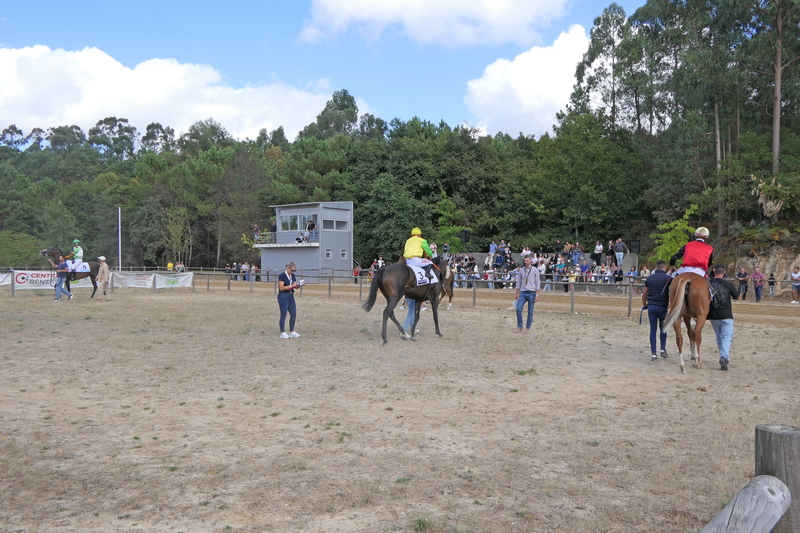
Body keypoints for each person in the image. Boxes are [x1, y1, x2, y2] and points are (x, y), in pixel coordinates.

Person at [708, 264, 740, 371]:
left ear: (714, 271)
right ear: (724, 272)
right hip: (726, 314)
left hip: (713, 315)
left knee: (719, 336)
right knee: (727, 336)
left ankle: (723, 355)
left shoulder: (708, 284)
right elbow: (737, 297)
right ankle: (724, 357)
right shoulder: (728, 284)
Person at [642, 260, 670, 361]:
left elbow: (644, 294)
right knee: (663, 329)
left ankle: (653, 353)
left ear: (656, 267)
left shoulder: (649, 278)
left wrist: (645, 304)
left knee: (653, 330)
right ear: (665, 268)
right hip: (663, 307)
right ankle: (662, 349)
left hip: (652, 306)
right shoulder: (668, 278)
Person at [514, 256, 540, 332]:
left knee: (530, 311)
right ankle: (520, 326)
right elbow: (518, 282)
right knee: (518, 309)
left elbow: (538, 283)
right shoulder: (521, 270)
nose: (526, 262)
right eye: (525, 260)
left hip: (532, 293)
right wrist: (517, 293)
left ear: (530, 261)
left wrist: (537, 295)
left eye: (527, 260)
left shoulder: (535, 270)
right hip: (523, 292)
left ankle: (528, 328)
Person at [277, 262, 302, 338]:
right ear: (288, 268)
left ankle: (292, 331)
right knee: (283, 314)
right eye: (292, 270)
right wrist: (291, 285)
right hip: (283, 296)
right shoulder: (282, 276)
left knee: (293, 313)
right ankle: (282, 332)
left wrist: (298, 285)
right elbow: (281, 287)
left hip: (291, 295)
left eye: (294, 270)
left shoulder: (292, 275)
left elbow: (294, 286)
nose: (293, 272)